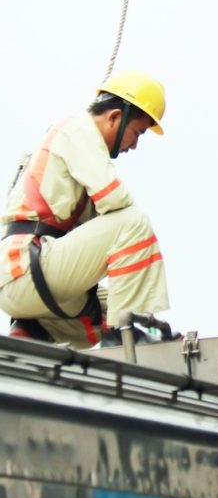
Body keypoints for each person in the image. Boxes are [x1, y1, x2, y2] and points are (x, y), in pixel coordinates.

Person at [0, 70, 170, 348]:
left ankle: (35, 329)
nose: (135, 145)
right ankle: (122, 331)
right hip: (28, 268)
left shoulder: (74, 143)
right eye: (137, 133)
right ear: (115, 116)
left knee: (110, 309)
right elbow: (116, 202)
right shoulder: (79, 130)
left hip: (24, 279)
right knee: (134, 222)